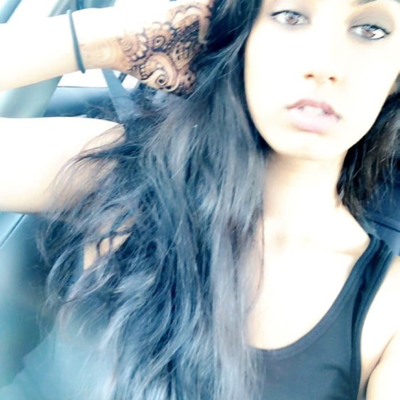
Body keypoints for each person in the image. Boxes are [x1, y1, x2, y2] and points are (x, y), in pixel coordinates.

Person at [0, 0, 399, 399]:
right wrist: (104, 40)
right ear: (244, 39)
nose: (325, 64)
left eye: (371, 30)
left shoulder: (389, 306)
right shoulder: (117, 170)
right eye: (290, 16)